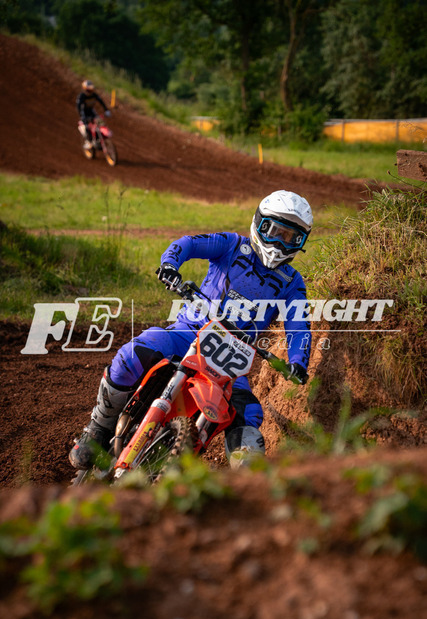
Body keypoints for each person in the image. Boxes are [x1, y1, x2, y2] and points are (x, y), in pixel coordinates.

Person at [69, 190, 313, 470]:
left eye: (291, 238)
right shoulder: (231, 245)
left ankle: (246, 479)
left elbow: (299, 325)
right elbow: (187, 244)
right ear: (260, 224)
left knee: (250, 414)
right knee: (131, 354)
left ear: (301, 242)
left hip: (232, 363)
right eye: (276, 232)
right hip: (186, 334)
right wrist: (170, 265)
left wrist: (298, 362)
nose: (280, 243)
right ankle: (98, 428)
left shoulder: (292, 283)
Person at [76, 80, 111, 149]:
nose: (90, 91)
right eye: (89, 90)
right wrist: (82, 117)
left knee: (100, 122)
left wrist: (106, 110)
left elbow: (101, 102)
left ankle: (100, 136)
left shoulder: (94, 95)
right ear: (85, 89)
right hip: (84, 113)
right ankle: (88, 142)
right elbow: (78, 107)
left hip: (91, 111)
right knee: (86, 126)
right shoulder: (81, 97)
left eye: (91, 90)